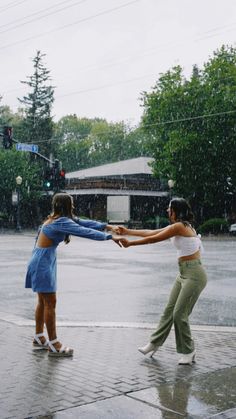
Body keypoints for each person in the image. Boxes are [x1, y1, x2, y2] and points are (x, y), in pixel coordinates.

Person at [25, 192, 121, 357]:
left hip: (40, 258)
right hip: (43, 262)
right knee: (50, 302)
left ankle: (39, 337)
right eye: (72, 204)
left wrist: (107, 226)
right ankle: (54, 344)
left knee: (43, 301)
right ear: (67, 206)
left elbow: (83, 222)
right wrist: (109, 236)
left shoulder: (54, 219)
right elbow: (83, 231)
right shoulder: (60, 222)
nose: (74, 207)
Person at [117, 197, 207, 365]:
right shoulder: (179, 226)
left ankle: (188, 351)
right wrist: (127, 231)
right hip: (183, 273)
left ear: (176, 211)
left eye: (169, 208)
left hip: (195, 274)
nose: (167, 210)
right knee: (169, 311)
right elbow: (151, 232)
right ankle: (154, 343)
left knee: (180, 314)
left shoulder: (180, 226)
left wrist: (131, 244)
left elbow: (154, 239)